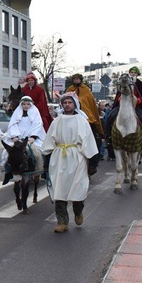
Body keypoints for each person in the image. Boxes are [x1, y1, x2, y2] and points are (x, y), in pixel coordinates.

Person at [41, 92, 99, 233]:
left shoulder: (82, 121)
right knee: (59, 190)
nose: (67, 105)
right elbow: (49, 143)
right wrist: (46, 165)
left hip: (77, 158)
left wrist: (92, 164)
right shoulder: (57, 121)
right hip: (59, 158)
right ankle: (62, 222)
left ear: (75, 104)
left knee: (77, 189)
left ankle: (78, 211)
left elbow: (89, 142)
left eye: (69, 102)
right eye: (65, 103)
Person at [2, 96, 46, 184]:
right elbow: (12, 125)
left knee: (42, 152)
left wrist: (33, 137)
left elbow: (38, 125)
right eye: (24, 104)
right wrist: (15, 136)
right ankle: (8, 173)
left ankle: (43, 170)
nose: (26, 106)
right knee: (6, 154)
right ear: (21, 105)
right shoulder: (16, 114)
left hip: (32, 139)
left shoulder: (35, 113)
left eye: (28, 104)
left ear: (31, 105)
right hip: (18, 138)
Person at [65, 73, 103, 174]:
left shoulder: (85, 89)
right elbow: (65, 99)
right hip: (70, 115)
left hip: (86, 116)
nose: (76, 80)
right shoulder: (69, 89)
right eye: (75, 79)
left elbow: (88, 101)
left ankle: (92, 163)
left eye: (78, 79)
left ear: (80, 80)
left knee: (93, 138)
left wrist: (79, 100)